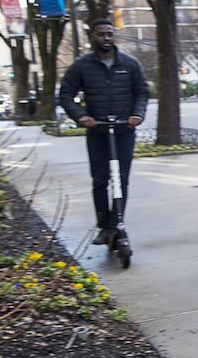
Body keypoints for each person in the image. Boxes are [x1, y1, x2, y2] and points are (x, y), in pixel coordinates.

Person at [59, 18, 149, 245]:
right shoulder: (83, 65)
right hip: (97, 131)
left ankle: (117, 222)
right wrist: (81, 116)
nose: (106, 38)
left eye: (110, 34)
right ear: (93, 37)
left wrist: (137, 114)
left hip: (123, 130)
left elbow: (141, 92)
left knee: (121, 180)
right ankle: (104, 226)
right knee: (100, 181)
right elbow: (65, 94)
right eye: (101, 34)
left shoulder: (129, 64)